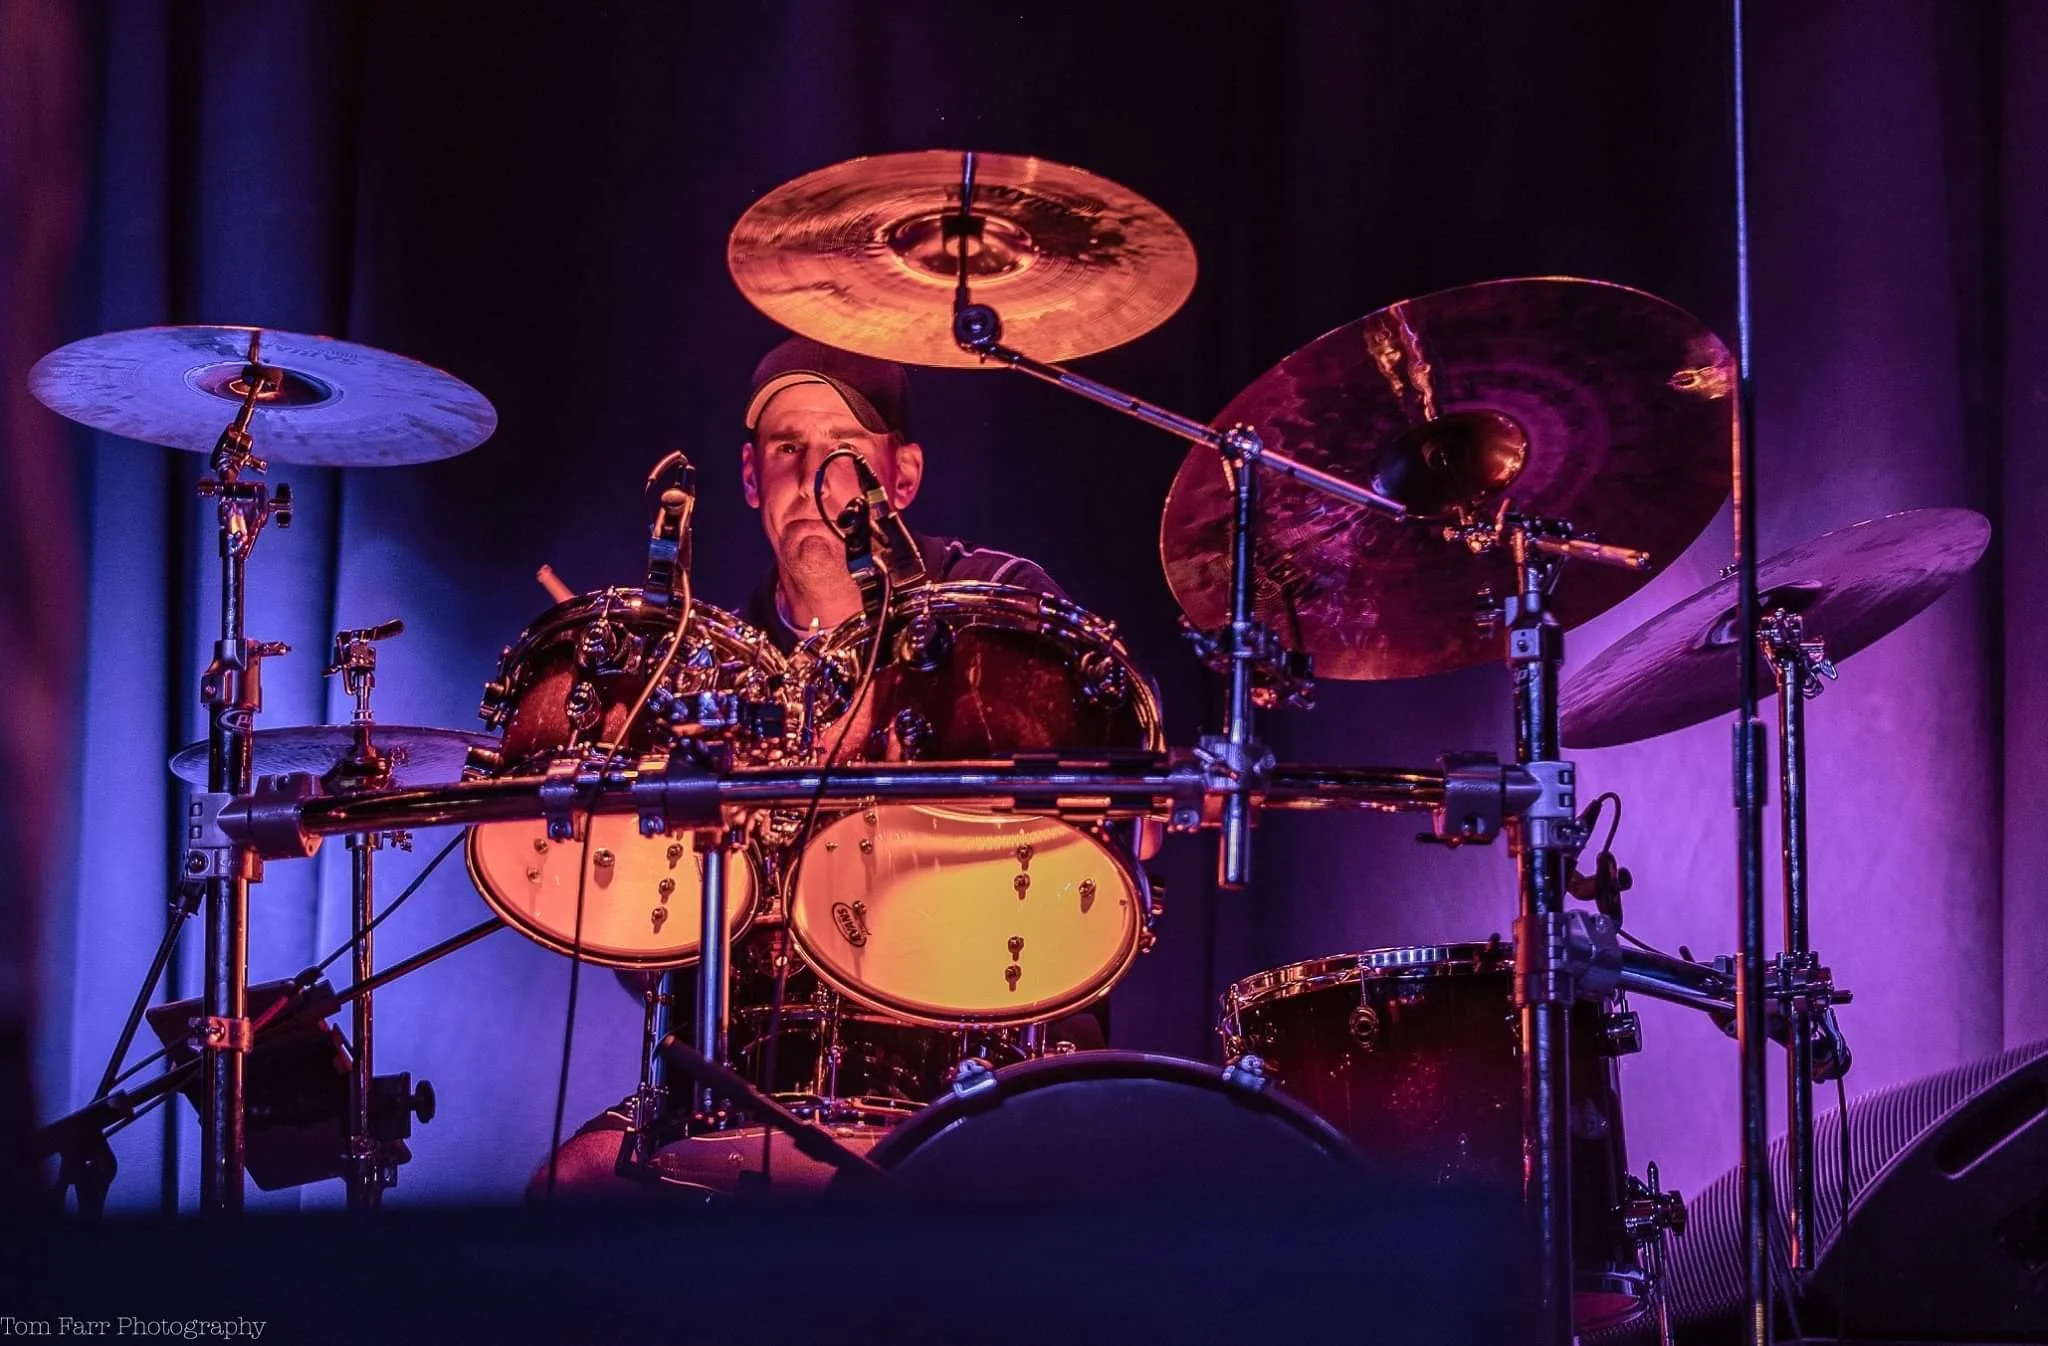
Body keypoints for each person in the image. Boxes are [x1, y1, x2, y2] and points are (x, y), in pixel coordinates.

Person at [533, 335, 1109, 1201]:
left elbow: (1091, 829)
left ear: (902, 477)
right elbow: (648, 958)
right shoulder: (703, 673)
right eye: (785, 448)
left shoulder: (996, 611)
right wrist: (641, 816)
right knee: (570, 1189)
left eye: (843, 450)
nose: (810, 478)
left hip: (970, 1069)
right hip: (741, 1085)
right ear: (747, 476)